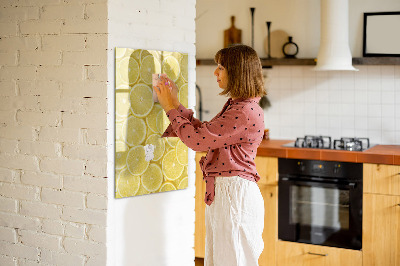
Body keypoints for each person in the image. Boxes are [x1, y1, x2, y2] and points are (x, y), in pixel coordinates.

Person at [154, 44, 266, 266]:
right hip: (229, 194)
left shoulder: (243, 111)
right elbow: (205, 134)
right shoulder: (239, 106)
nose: (215, 72)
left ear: (237, 72)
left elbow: (197, 141)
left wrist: (169, 108)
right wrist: (176, 104)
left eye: (221, 67)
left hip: (234, 196)